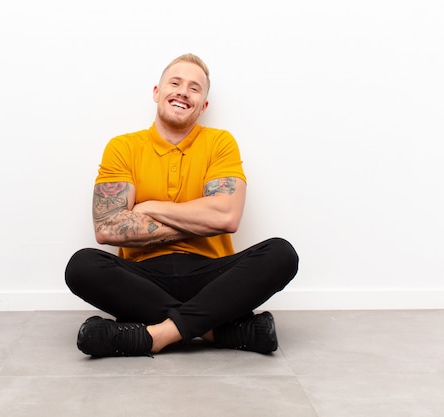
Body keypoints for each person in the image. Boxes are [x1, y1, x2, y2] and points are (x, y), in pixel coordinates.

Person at [65, 53, 299, 358]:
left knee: (281, 254)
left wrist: (148, 206)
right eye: (175, 83)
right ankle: (218, 330)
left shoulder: (220, 143)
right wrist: (201, 219)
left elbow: (227, 217)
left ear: (203, 106)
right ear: (157, 92)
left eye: (194, 88)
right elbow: (107, 228)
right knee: (82, 265)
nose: (182, 92)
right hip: (143, 279)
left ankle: (155, 335)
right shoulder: (123, 147)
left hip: (211, 277)